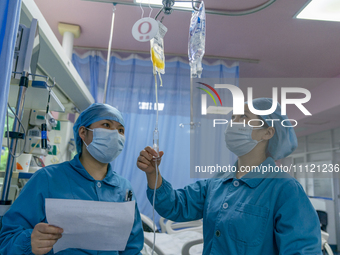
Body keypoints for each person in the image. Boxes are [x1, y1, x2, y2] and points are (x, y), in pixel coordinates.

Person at [137, 98, 322, 255]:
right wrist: (153, 174)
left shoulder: (284, 188)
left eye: (244, 117)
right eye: (233, 117)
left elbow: (303, 250)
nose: (234, 122)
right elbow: (175, 206)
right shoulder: (218, 181)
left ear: (268, 132)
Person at [0, 103, 143, 255]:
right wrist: (30, 241)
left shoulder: (124, 188)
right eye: (106, 125)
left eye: (120, 130)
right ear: (83, 132)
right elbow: (7, 240)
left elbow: (132, 248)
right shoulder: (47, 179)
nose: (115, 134)